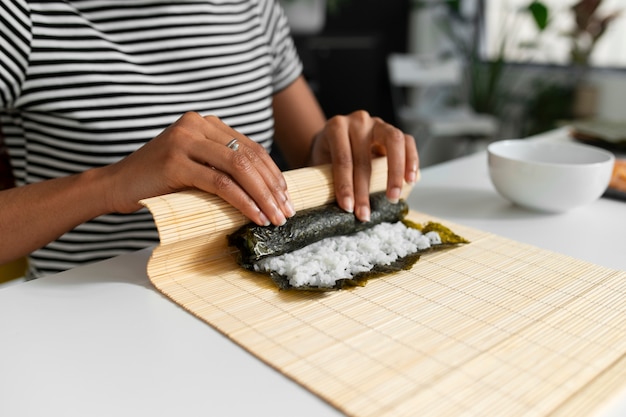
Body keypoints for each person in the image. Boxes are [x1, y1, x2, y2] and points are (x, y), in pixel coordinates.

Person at [0, 0, 418, 278]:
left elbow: (311, 151)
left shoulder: (253, 8)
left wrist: (339, 149)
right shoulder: (23, 15)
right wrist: (110, 185)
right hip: (84, 323)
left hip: (249, 310)